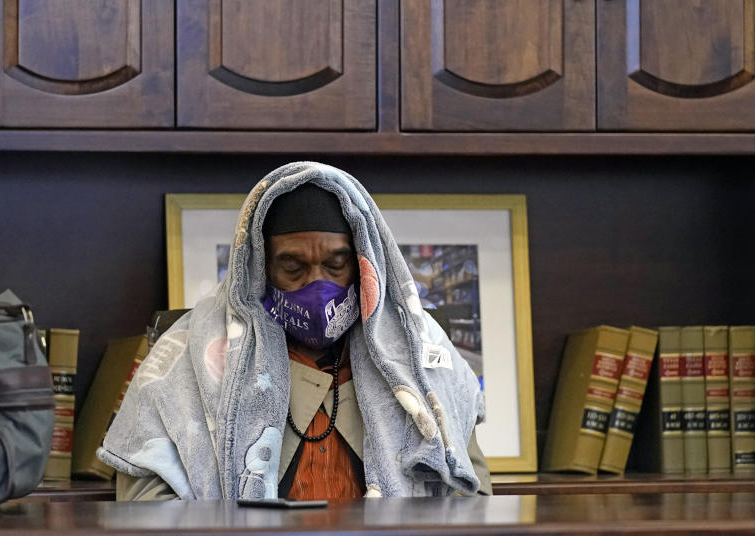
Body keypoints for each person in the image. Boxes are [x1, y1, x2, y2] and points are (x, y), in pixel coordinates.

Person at [99, 162, 491, 500]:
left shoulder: (418, 355)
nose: (317, 285)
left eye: (336, 264)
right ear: (259, 268)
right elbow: (144, 496)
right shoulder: (190, 353)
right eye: (293, 267)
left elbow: (471, 493)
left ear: (362, 264)